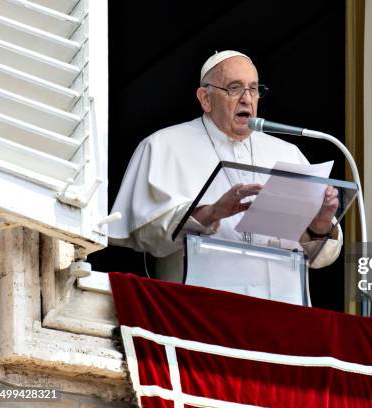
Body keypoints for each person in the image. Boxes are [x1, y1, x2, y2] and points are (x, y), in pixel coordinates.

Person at [109, 50, 342, 305]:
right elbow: (147, 236)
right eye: (234, 88)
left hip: (282, 315)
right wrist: (212, 212)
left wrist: (320, 225)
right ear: (205, 98)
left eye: (253, 89)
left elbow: (320, 258)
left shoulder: (288, 153)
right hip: (197, 312)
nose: (247, 99)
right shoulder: (163, 146)